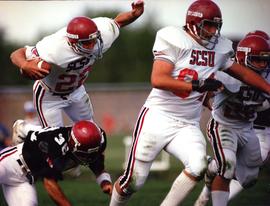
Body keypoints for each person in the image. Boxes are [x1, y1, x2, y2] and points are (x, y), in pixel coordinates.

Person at [109, 1, 270, 206]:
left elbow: (244, 73)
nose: (213, 32)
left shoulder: (219, 49)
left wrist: (267, 88)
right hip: (158, 117)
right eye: (209, 25)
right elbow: (158, 79)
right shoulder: (173, 38)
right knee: (133, 182)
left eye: (216, 26)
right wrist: (198, 84)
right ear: (193, 23)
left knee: (199, 164)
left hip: (187, 124)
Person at [10, 1, 144, 205]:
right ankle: (25, 128)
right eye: (87, 43)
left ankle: (102, 177)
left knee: (93, 136)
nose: (92, 46)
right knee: (55, 145)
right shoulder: (53, 49)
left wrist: (134, 14)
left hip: (76, 91)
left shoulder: (102, 33)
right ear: (72, 42)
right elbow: (16, 54)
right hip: (50, 95)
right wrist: (26, 64)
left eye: (93, 40)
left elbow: (118, 22)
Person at [194, 30, 270, 206]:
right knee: (227, 165)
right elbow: (201, 90)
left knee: (249, 179)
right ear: (243, 58)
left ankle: (212, 167)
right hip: (223, 125)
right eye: (257, 59)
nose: (262, 64)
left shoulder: (266, 76)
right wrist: (210, 105)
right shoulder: (227, 75)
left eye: (264, 60)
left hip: (247, 128)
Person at [1, 120, 112, 206]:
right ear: (73, 145)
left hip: (25, 181)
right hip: (11, 163)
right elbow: (49, 183)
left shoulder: (93, 141)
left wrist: (104, 182)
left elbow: (94, 160)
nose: (88, 158)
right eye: (84, 155)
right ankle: (22, 129)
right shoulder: (54, 144)